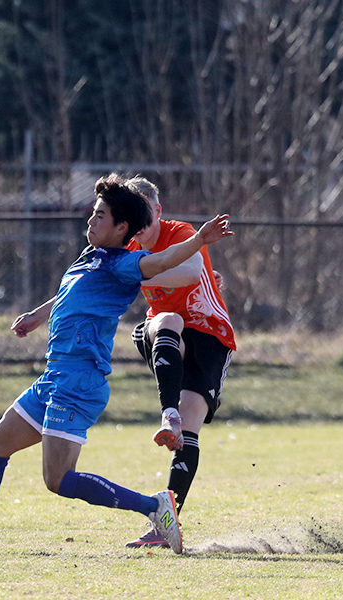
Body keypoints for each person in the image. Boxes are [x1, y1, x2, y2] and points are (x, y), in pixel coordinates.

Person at [0, 173, 234, 555]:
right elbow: (69, 293)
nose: (91, 220)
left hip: (79, 381)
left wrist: (200, 240)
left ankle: (155, 507)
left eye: (100, 216)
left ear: (122, 228)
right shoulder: (91, 256)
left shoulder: (124, 262)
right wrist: (38, 315)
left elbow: (168, 259)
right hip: (54, 375)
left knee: (57, 481)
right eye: (93, 213)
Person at [123, 176, 237, 549]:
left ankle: (165, 526)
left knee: (188, 436)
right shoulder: (126, 247)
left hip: (209, 337)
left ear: (157, 211)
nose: (138, 219)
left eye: (145, 210)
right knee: (167, 321)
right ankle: (166, 413)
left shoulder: (182, 233)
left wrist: (129, 277)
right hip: (166, 334)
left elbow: (189, 272)